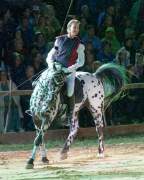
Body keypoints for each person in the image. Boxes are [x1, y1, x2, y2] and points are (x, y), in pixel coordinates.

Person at [46, 19, 85, 123]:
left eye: (78, 27)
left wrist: (71, 68)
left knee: (70, 91)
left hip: (69, 72)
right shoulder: (59, 40)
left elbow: (81, 62)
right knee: (44, 81)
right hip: (56, 68)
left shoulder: (79, 44)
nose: (76, 29)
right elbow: (50, 55)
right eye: (74, 27)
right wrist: (51, 64)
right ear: (68, 29)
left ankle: (70, 114)